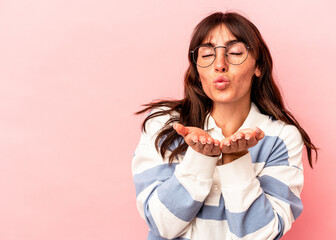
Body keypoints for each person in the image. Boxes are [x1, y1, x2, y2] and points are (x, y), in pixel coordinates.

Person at [132, 11, 317, 240]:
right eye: (207, 54)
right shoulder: (165, 124)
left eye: (235, 53)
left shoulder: (281, 137)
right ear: (197, 70)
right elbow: (162, 225)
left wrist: (236, 160)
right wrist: (199, 158)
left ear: (258, 66)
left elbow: (262, 235)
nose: (220, 65)